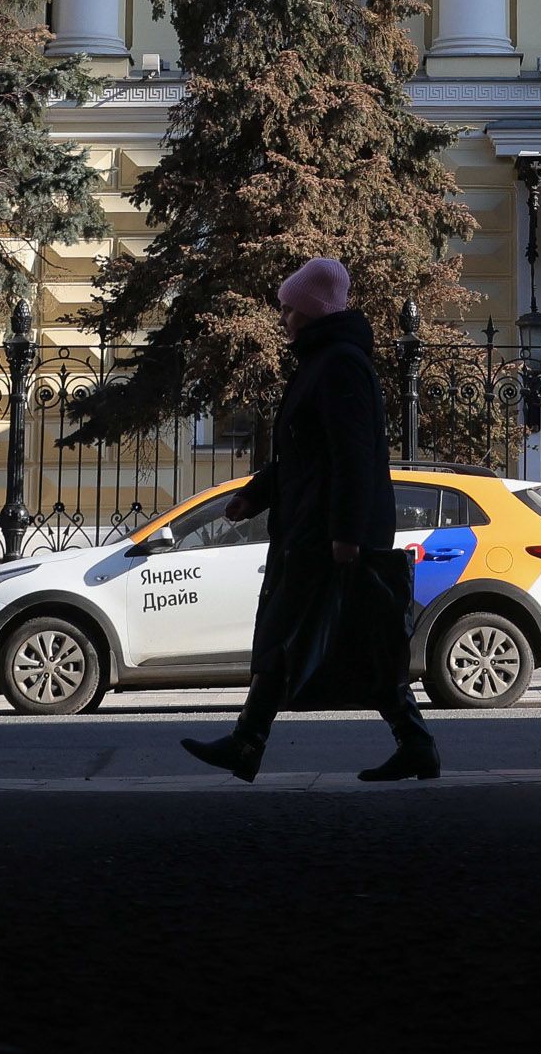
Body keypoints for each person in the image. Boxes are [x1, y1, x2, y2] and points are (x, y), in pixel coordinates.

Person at [178, 257, 440, 784]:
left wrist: (347, 533)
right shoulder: (322, 362)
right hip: (311, 527)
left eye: (289, 308)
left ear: (314, 309)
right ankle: (408, 743)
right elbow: (304, 455)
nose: (282, 317)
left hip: (326, 534)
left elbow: (353, 456)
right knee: (330, 635)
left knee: (312, 633)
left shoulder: (340, 364)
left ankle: (250, 742)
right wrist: (254, 496)